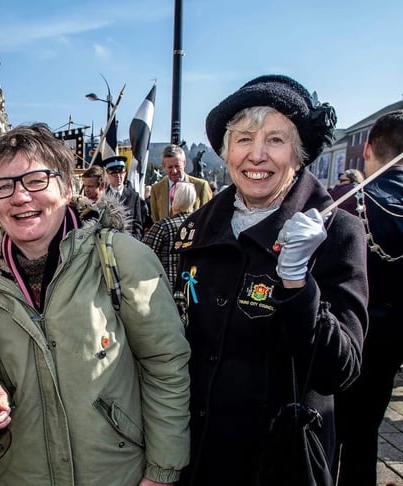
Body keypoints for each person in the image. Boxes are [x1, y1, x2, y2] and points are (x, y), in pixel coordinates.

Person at [0, 122, 191, 485]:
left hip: (117, 476)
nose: (20, 196)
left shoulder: (121, 258)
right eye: (4, 186)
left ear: (67, 187)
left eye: (36, 180)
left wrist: (161, 472)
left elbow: (165, 366)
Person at [172, 74, 368, 486]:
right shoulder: (195, 229)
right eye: (244, 139)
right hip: (199, 457)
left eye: (276, 140)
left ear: (299, 154)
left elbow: (340, 370)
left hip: (280, 462)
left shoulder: (338, 233)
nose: (256, 155)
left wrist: (298, 283)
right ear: (226, 152)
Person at [334, 110, 403, 486]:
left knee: (330, 431)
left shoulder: (345, 202)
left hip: (350, 335)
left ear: (368, 150)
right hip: (393, 341)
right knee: (366, 431)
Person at [142, 181, 196, 287]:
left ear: (173, 200)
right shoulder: (202, 227)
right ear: (193, 201)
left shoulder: (162, 227)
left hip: (166, 290)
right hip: (195, 290)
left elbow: (144, 257)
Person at [149, 144, 212, 223]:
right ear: (164, 166)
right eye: (170, 167)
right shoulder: (156, 189)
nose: (174, 171)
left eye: (177, 166)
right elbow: (156, 219)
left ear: (184, 163)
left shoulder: (201, 186)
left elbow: (208, 217)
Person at [101, 155, 150, 239]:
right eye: (114, 174)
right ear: (107, 174)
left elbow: (137, 225)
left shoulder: (134, 196)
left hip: (129, 242)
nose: (119, 177)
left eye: (121, 173)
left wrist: (133, 242)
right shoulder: (103, 196)